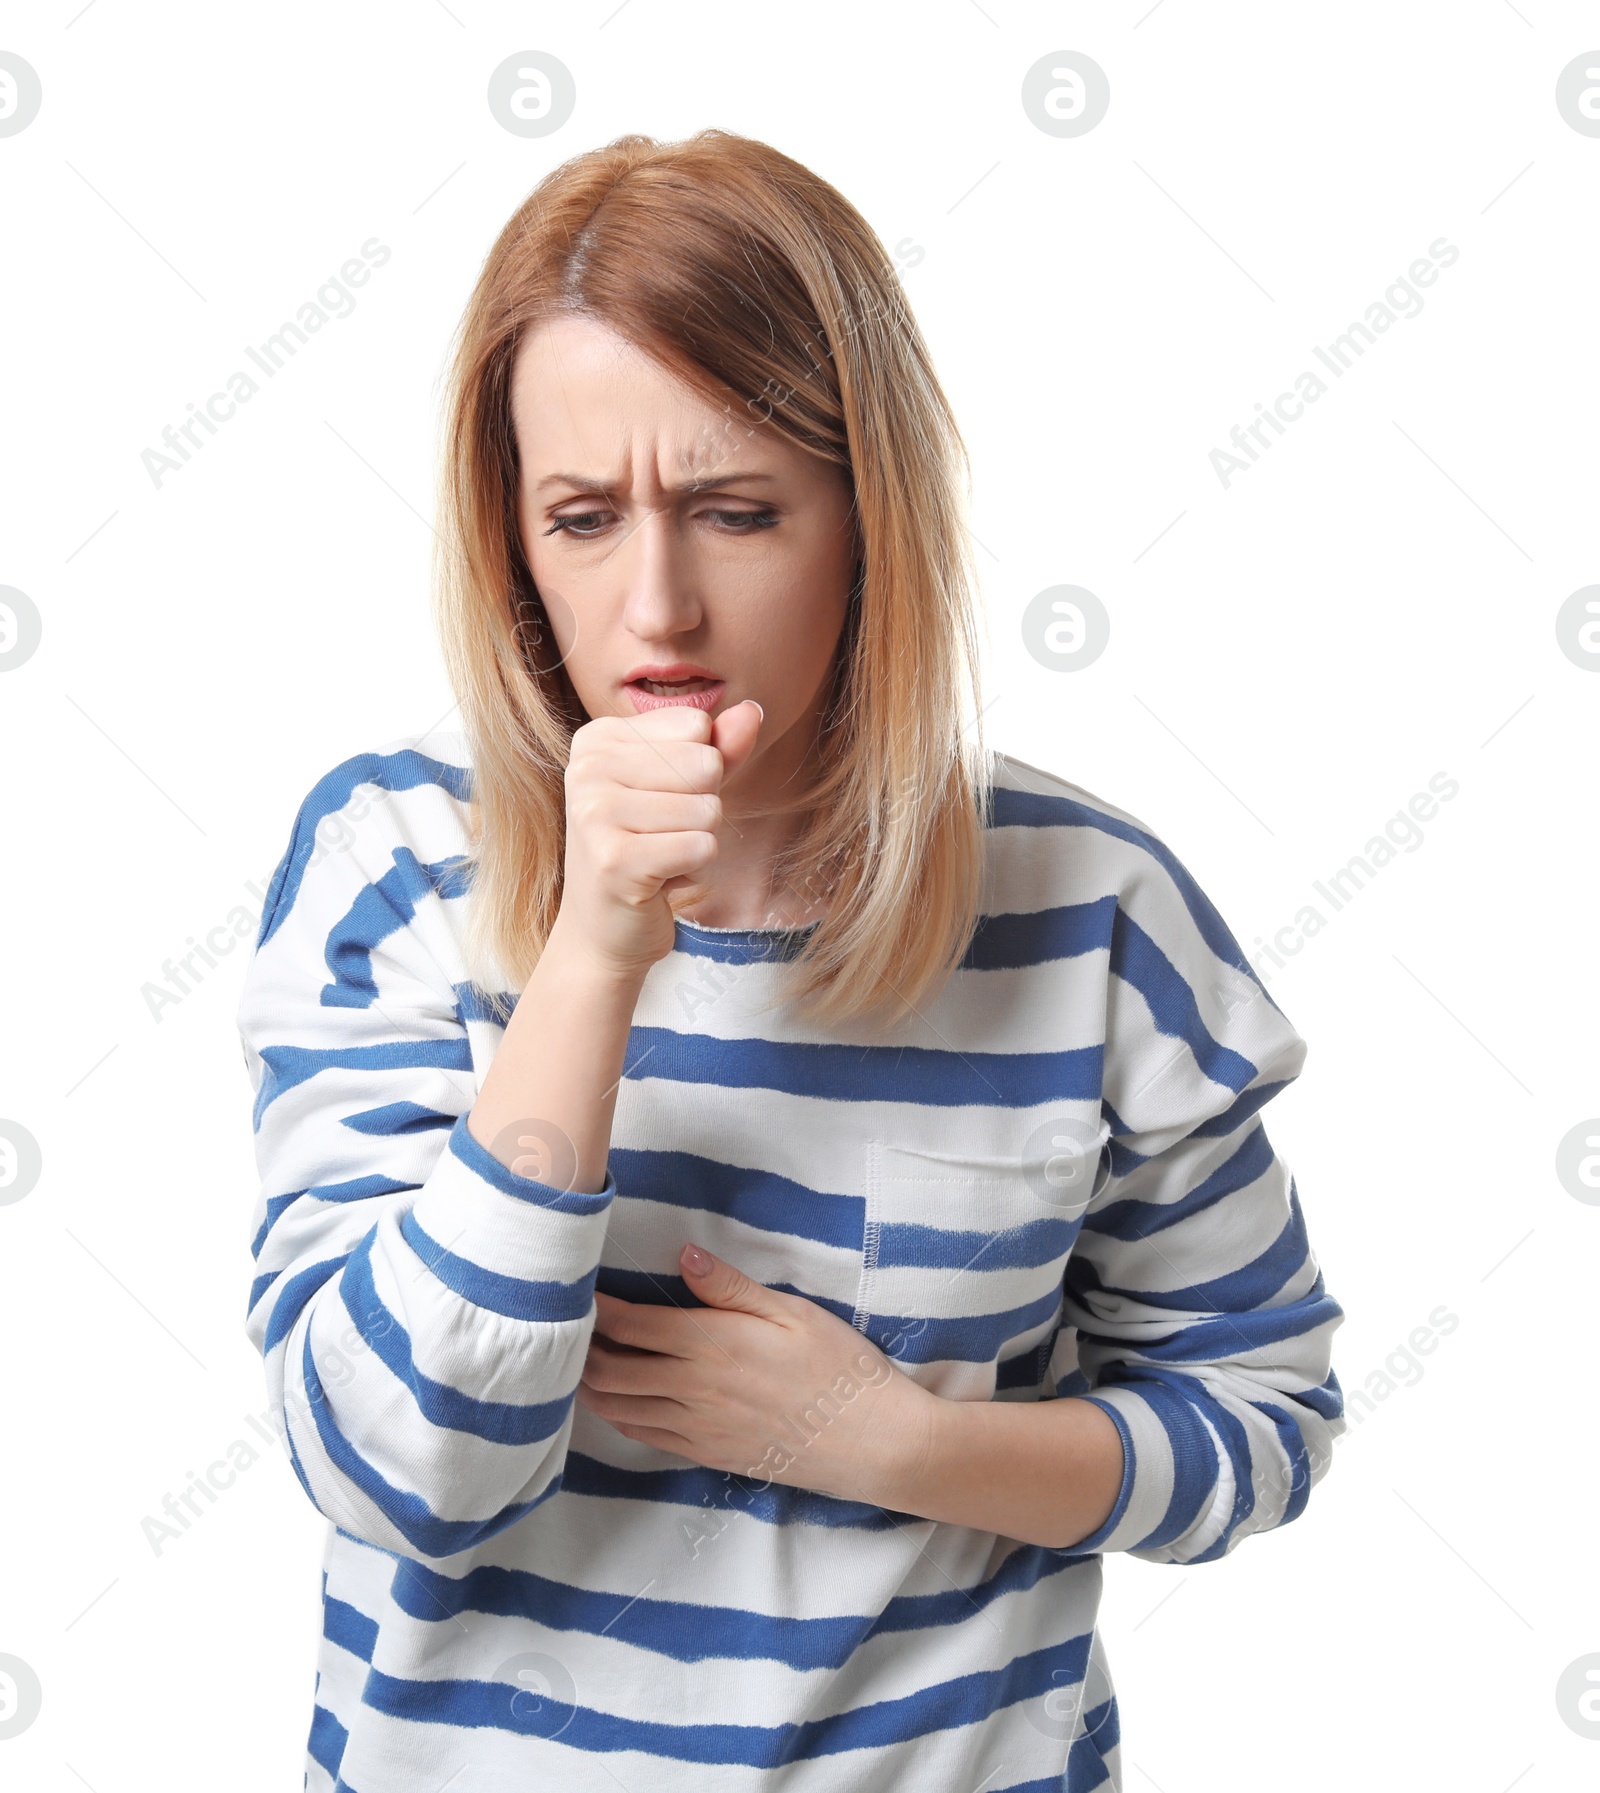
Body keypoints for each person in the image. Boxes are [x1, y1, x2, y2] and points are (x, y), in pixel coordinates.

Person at [237, 128, 1346, 1793]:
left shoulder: (1092, 907)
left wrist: (901, 1442)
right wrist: (599, 947)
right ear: (513, 541)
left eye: (736, 510)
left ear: (865, 518)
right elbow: (398, 1469)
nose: (656, 607)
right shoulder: (393, 860)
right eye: (584, 517)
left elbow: (1259, 1420)